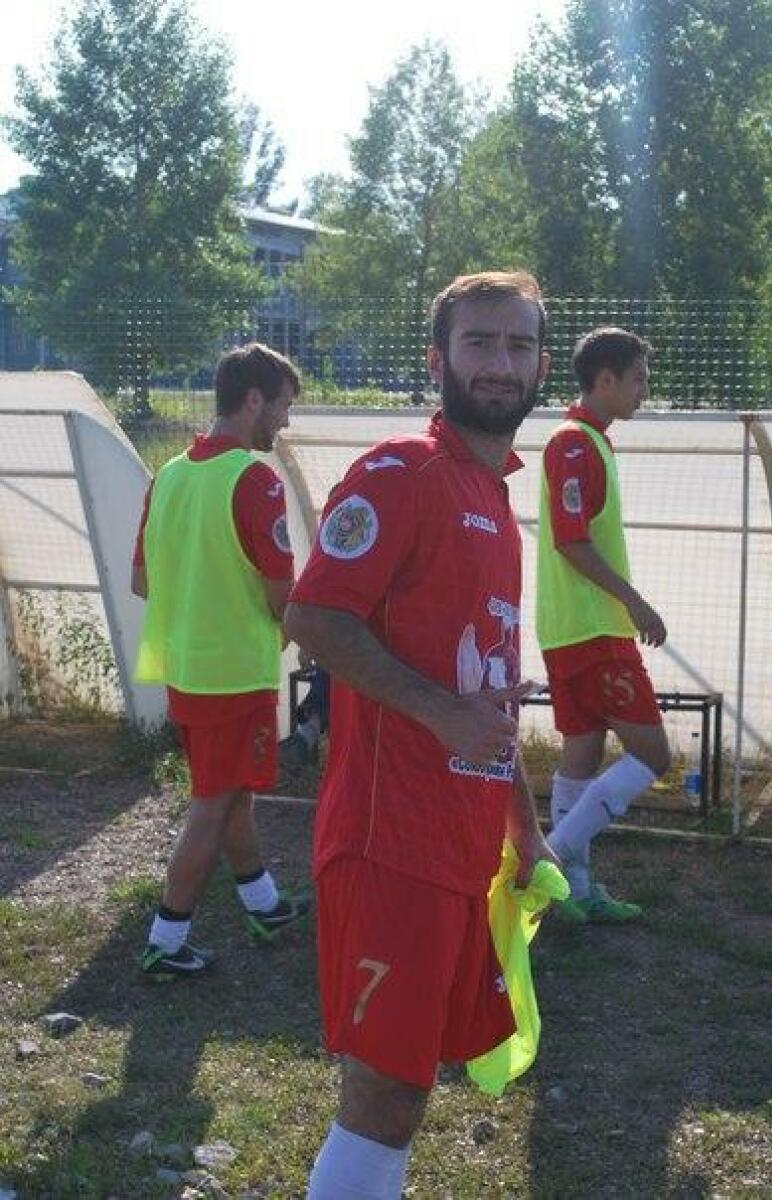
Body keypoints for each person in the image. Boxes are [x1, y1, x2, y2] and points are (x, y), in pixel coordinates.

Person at [284, 270, 559, 1200]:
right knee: (385, 1091)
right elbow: (314, 616)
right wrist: (441, 714)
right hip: (388, 839)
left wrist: (522, 823)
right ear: (437, 360)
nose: (499, 363)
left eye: (518, 345)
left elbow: (484, 689)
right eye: (479, 343)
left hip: (459, 841)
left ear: (541, 367)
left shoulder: (494, 499)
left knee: (409, 1089)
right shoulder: (401, 471)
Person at [132, 342, 307, 979]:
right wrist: (307, 634)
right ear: (254, 400)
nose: (284, 422)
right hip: (235, 673)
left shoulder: (169, 475)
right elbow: (282, 595)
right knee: (213, 803)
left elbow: (141, 581)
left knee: (230, 795)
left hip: (186, 670)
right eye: (283, 406)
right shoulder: (255, 480)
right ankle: (166, 936)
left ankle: (263, 905)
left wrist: (200, 596)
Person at [537, 327, 671, 924]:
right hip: (592, 630)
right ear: (606, 379)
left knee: (581, 758)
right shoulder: (574, 443)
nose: (645, 390)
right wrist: (635, 602)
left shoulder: (589, 440)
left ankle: (576, 891)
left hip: (570, 629)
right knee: (653, 754)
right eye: (638, 378)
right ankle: (546, 864)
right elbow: (572, 541)